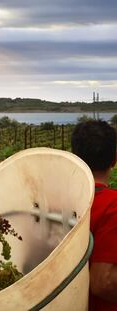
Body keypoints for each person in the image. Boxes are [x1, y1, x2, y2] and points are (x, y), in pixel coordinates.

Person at [71, 120, 117, 310]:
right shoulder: (112, 205)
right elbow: (103, 282)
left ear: (75, 156)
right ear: (115, 159)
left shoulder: (56, 197)